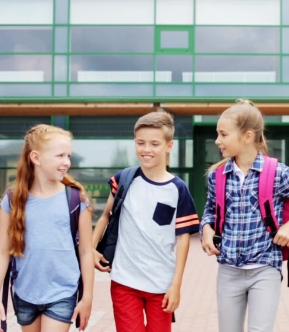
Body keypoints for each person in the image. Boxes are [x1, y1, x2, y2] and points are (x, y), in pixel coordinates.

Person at [200, 99, 289, 332]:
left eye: (223, 135)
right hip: (228, 269)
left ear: (247, 136)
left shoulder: (276, 172)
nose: (217, 141)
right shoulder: (217, 176)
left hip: (265, 268)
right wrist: (206, 229)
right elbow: (209, 211)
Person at [92, 111, 200, 332]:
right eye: (140, 143)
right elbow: (105, 216)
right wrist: (91, 249)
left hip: (161, 284)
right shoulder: (123, 179)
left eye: (154, 144)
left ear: (169, 146)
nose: (146, 149)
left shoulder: (178, 189)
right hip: (124, 281)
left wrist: (176, 285)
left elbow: (183, 239)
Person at [0, 124, 94, 332]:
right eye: (60, 156)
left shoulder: (77, 199)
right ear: (36, 158)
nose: (66, 162)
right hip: (25, 294)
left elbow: (86, 252)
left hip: (62, 293)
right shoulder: (12, 200)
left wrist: (87, 297)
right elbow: (3, 252)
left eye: (68, 156)